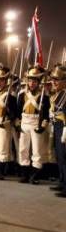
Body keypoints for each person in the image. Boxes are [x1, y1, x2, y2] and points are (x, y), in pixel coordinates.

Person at [15, 64, 50, 184]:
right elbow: (18, 111)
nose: (32, 83)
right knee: (23, 149)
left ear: (38, 82)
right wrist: (18, 124)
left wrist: (43, 126)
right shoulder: (22, 95)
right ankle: (24, 174)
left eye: (34, 81)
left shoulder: (43, 96)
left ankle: (34, 175)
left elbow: (46, 114)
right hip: (24, 122)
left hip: (36, 123)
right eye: (30, 81)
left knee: (37, 150)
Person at [49, 65, 66, 197]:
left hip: (64, 128)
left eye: (57, 79)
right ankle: (62, 181)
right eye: (53, 79)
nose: (54, 82)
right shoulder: (58, 94)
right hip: (57, 126)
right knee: (60, 156)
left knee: (65, 157)